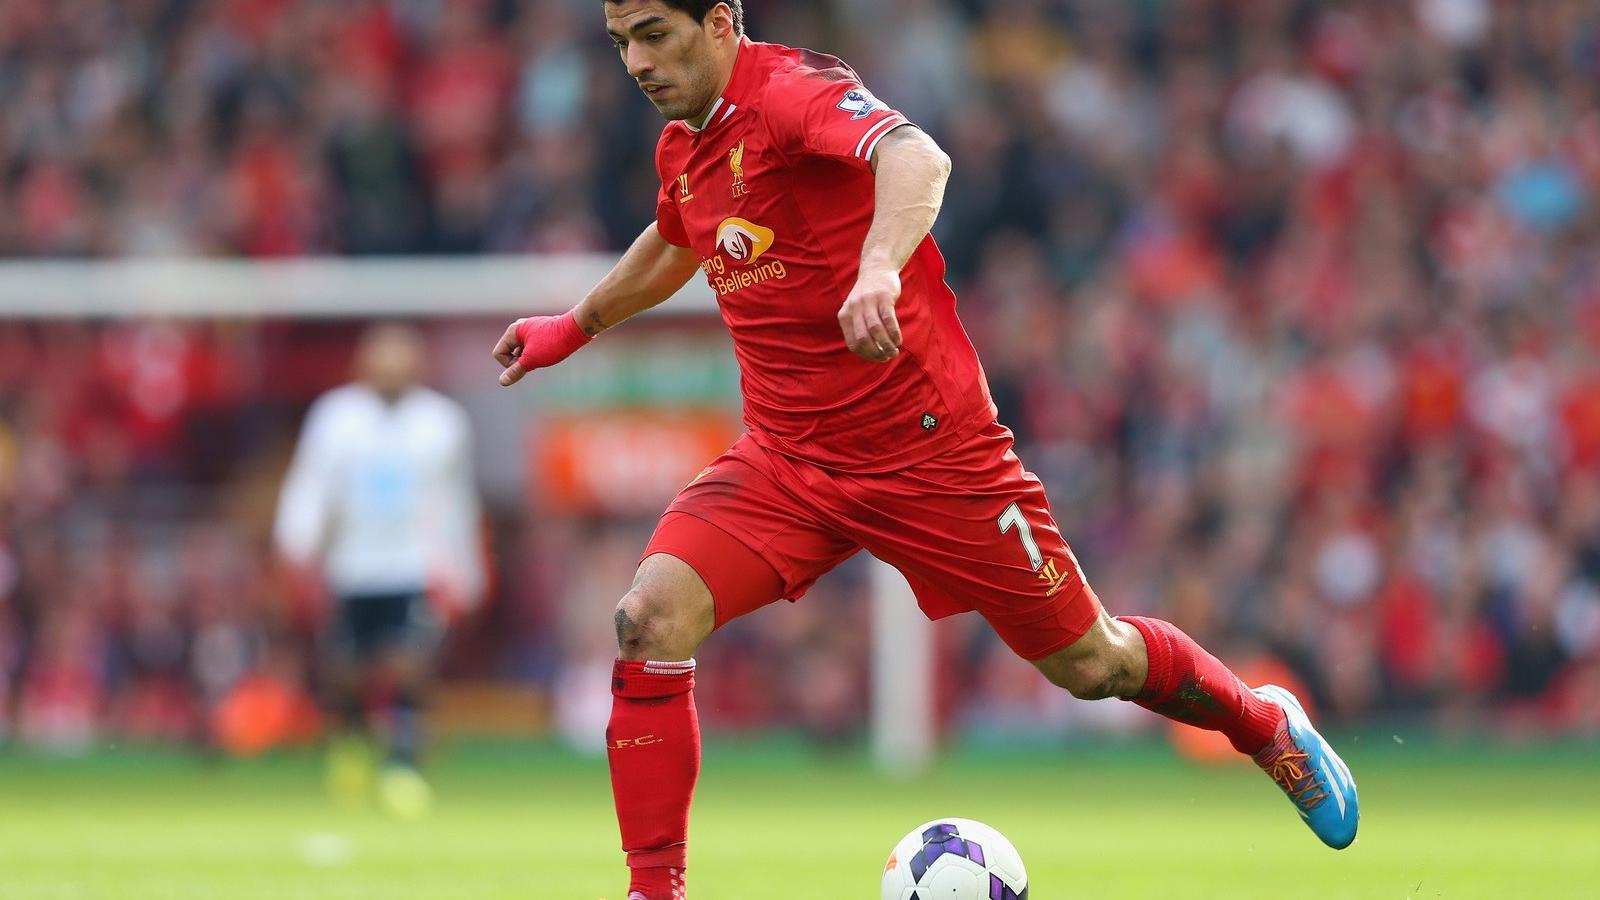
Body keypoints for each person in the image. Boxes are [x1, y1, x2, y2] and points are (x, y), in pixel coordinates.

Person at [491, 2, 1359, 896]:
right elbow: (679, 239)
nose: (636, 61)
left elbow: (917, 156)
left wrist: (877, 264)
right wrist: (575, 324)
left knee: (1092, 664)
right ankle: (655, 888)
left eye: (655, 34)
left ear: (719, 22)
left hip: (935, 457)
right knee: (648, 618)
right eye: (620, 42)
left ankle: (1265, 726)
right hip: (789, 462)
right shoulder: (686, 146)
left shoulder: (791, 92)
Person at [277, 323, 483, 819]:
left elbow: (456, 499)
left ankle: (402, 765)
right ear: (365, 363)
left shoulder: (442, 422)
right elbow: (312, 483)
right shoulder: (335, 417)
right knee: (346, 669)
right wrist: (297, 540)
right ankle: (350, 741)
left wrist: (466, 565)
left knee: (410, 661)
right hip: (351, 564)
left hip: (412, 563)